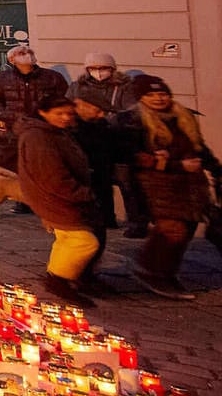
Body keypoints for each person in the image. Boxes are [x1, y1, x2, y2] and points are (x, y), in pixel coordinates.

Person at [122, 75, 215, 300]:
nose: (158, 99)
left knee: (187, 229)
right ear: (141, 98)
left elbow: (198, 147)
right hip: (157, 185)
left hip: (190, 184)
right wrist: (174, 164)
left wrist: (215, 169)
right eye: (151, 95)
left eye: (162, 94)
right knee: (173, 229)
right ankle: (152, 272)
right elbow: (133, 155)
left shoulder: (182, 116)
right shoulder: (133, 121)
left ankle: (164, 272)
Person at [16, 95, 101, 308]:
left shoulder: (54, 132)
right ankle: (58, 279)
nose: (65, 118)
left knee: (66, 238)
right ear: (43, 112)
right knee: (84, 241)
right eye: (59, 114)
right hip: (56, 196)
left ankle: (61, 276)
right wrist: (80, 193)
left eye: (69, 114)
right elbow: (52, 175)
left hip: (58, 195)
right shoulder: (38, 137)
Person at [72, 53, 147, 236]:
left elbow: (133, 112)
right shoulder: (78, 87)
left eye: (103, 68)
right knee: (99, 183)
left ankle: (137, 223)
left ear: (112, 69)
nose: (98, 72)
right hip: (93, 141)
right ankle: (106, 218)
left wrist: (111, 119)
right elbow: (71, 106)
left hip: (120, 141)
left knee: (127, 184)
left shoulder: (124, 87)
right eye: (93, 68)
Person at [0, 44, 69, 135]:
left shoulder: (52, 76)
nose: (28, 55)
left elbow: (64, 98)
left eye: (30, 52)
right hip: (15, 125)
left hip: (45, 126)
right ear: (12, 60)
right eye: (22, 53)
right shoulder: (3, 77)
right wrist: (4, 115)